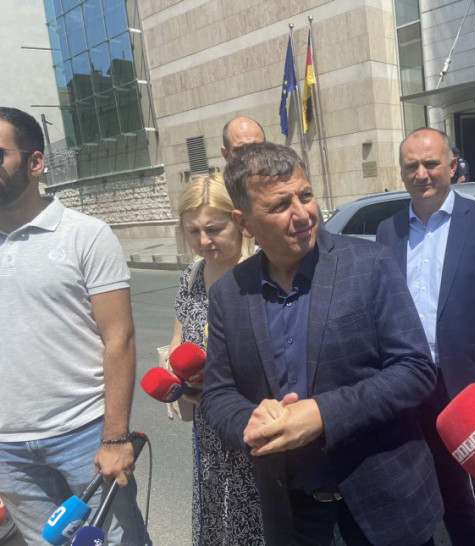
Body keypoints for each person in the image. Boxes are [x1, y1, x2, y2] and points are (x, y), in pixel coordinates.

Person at [201, 141, 443, 546]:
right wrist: (249, 421)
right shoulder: (229, 294)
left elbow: (415, 371)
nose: (302, 214)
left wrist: (322, 414)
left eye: (306, 195)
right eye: (280, 205)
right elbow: (218, 392)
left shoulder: (370, 264)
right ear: (244, 223)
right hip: (292, 515)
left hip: (385, 504)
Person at [377, 127, 475, 546]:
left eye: (431, 163)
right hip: (417, 388)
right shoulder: (389, 231)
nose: (421, 174)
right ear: (402, 172)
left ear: (451, 166)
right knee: (448, 494)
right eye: (411, 166)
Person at [0, 108, 149, 544]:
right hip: (8, 451)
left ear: (35, 162)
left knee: (118, 541)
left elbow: (119, 338)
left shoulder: (86, 235)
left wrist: (116, 437)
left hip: (84, 434)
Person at [171, 173, 263, 545]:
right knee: (219, 517)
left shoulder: (262, 269)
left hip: (254, 422)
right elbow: (177, 343)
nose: (203, 241)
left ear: (239, 221)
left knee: (259, 520)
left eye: (213, 229)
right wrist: (179, 382)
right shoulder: (192, 277)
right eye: (193, 231)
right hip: (209, 428)